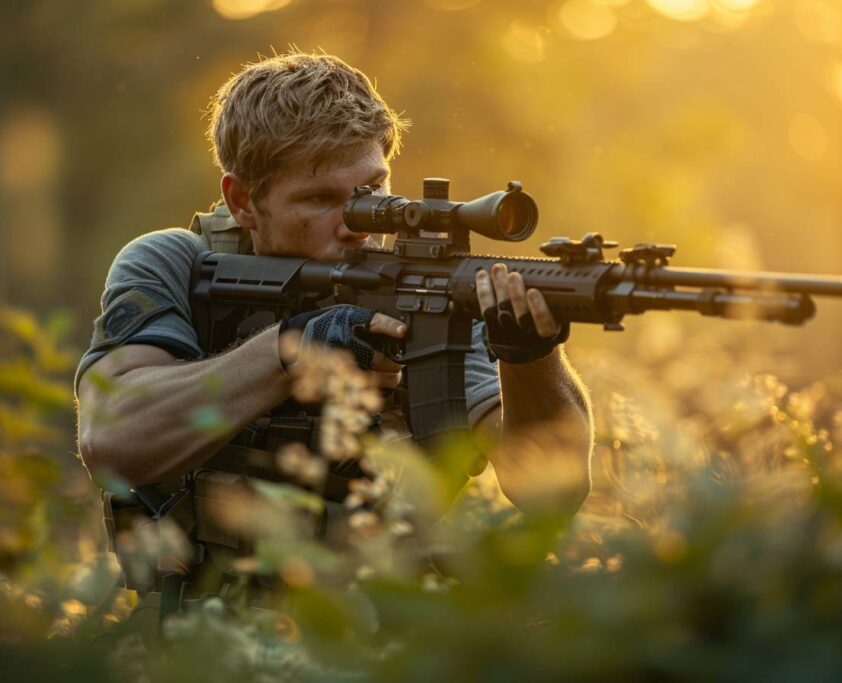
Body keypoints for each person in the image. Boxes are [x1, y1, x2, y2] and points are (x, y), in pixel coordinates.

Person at [74, 52, 594, 609]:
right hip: (206, 633)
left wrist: (530, 357)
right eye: (320, 199)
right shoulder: (174, 263)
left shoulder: (422, 295)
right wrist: (295, 349)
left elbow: (551, 492)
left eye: (372, 190)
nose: (356, 224)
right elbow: (112, 440)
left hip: (383, 633)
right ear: (243, 201)